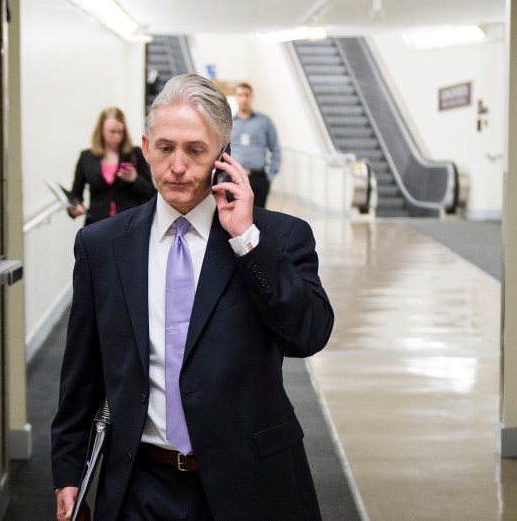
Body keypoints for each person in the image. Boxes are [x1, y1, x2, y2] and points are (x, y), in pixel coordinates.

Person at [51, 74, 334, 520]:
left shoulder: (276, 237)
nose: (178, 166)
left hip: (249, 483)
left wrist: (246, 240)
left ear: (223, 154)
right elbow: (82, 372)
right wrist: (69, 469)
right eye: (165, 148)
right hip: (140, 484)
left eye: (196, 150)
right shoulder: (102, 246)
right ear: (146, 147)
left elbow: (308, 335)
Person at [68, 107, 156, 226]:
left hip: (130, 224)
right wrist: (75, 207)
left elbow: (152, 194)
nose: (117, 136)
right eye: (112, 132)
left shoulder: (134, 154)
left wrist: (135, 179)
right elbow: (76, 195)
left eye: (120, 132)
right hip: (97, 225)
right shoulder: (86, 157)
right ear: (101, 131)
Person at [231, 82, 281, 208]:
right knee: (234, 213)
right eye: (240, 95)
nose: (244, 99)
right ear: (236, 98)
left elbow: (275, 148)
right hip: (234, 177)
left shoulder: (264, 121)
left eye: (246, 95)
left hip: (258, 179)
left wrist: (270, 176)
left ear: (251, 97)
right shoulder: (229, 123)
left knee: (258, 215)